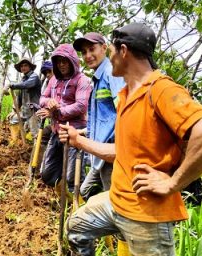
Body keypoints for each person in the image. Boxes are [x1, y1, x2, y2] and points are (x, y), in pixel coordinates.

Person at [59, 23, 202, 255]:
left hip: (146, 216)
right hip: (116, 201)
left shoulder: (161, 89)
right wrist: (79, 140)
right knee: (76, 228)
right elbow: (120, 150)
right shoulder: (126, 94)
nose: (109, 59)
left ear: (123, 51)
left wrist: (173, 183)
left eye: (110, 52)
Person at [73, 32, 125, 201]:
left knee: (114, 204)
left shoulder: (111, 73)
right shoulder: (97, 78)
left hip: (112, 153)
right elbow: (105, 117)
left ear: (104, 48)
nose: (88, 55)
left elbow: (124, 112)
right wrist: (85, 132)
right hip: (100, 154)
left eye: (91, 49)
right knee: (86, 191)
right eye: (84, 52)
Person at [36, 44, 92, 193]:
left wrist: (56, 112)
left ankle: (78, 207)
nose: (61, 64)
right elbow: (43, 98)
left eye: (65, 61)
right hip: (57, 132)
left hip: (74, 132)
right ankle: (62, 197)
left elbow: (81, 106)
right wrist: (49, 103)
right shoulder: (53, 80)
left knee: (73, 178)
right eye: (58, 61)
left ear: (72, 61)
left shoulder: (82, 80)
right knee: (48, 175)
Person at [7, 58, 42, 139]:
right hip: (24, 111)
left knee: (35, 134)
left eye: (26, 65)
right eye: (22, 66)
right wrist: (14, 111)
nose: (23, 67)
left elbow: (27, 85)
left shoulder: (34, 77)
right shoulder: (23, 79)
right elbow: (19, 97)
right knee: (13, 120)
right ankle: (16, 143)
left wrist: (12, 85)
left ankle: (37, 150)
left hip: (34, 111)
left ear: (30, 67)